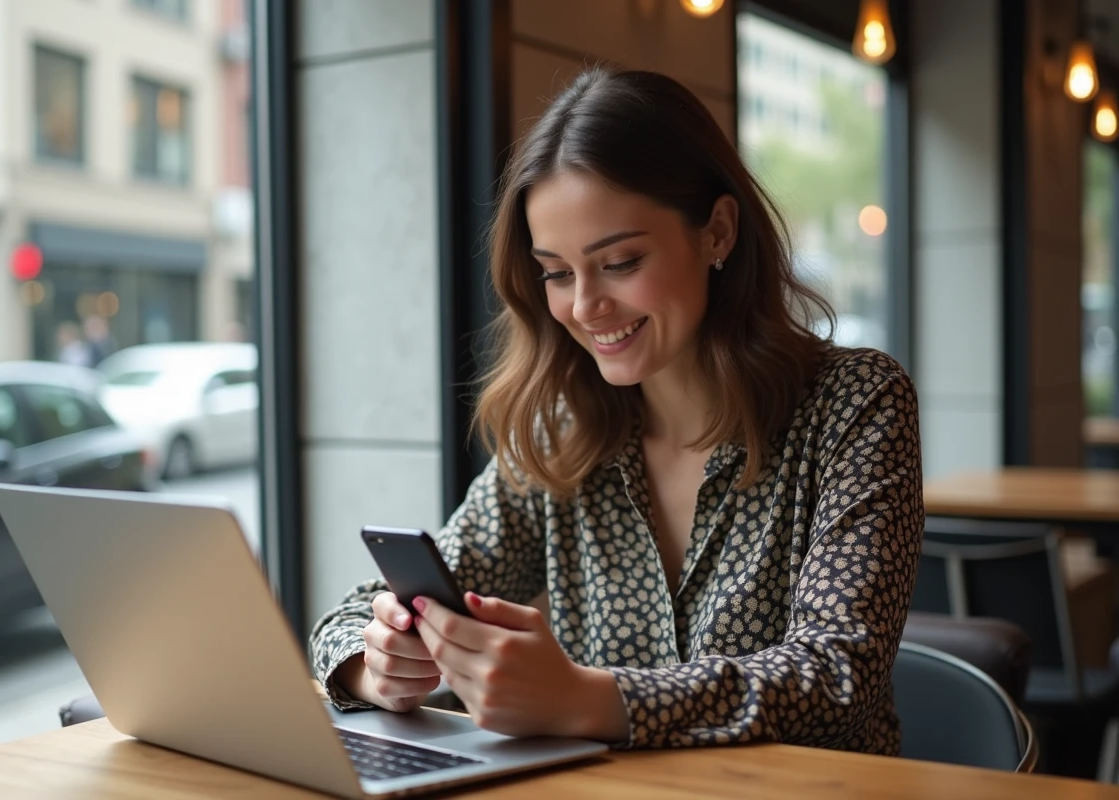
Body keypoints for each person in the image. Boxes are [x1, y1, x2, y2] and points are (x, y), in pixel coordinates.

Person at [310, 68, 923, 754]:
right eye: (556, 271)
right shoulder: (563, 435)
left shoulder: (855, 404)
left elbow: (838, 674)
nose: (585, 306)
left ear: (717, 232)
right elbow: (353, 612)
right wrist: (377, 662)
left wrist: (589, 699)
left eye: (621, 261)